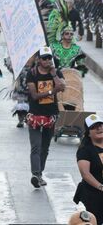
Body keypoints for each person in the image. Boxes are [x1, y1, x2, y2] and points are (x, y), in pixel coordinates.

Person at [26, 46, 65, 188]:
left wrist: (54, 75)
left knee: (45, 147)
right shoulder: (32, 74)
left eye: (50, 58)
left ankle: (40, 173)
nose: (48, 60)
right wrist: (52, 91)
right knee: (36, 146)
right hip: (35, 114)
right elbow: (35, 95)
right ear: (39, 59)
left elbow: (63, 87)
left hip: (51, 115)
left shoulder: (57, 72)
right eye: (44, 58)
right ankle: (35, 174)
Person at [73, 114, 103, 225]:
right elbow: (85, 174)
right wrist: (100, 187)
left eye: (100, 125)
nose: (99, 129)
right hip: (94, 195)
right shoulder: (85, 150)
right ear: (88, 133)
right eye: (94, 127)